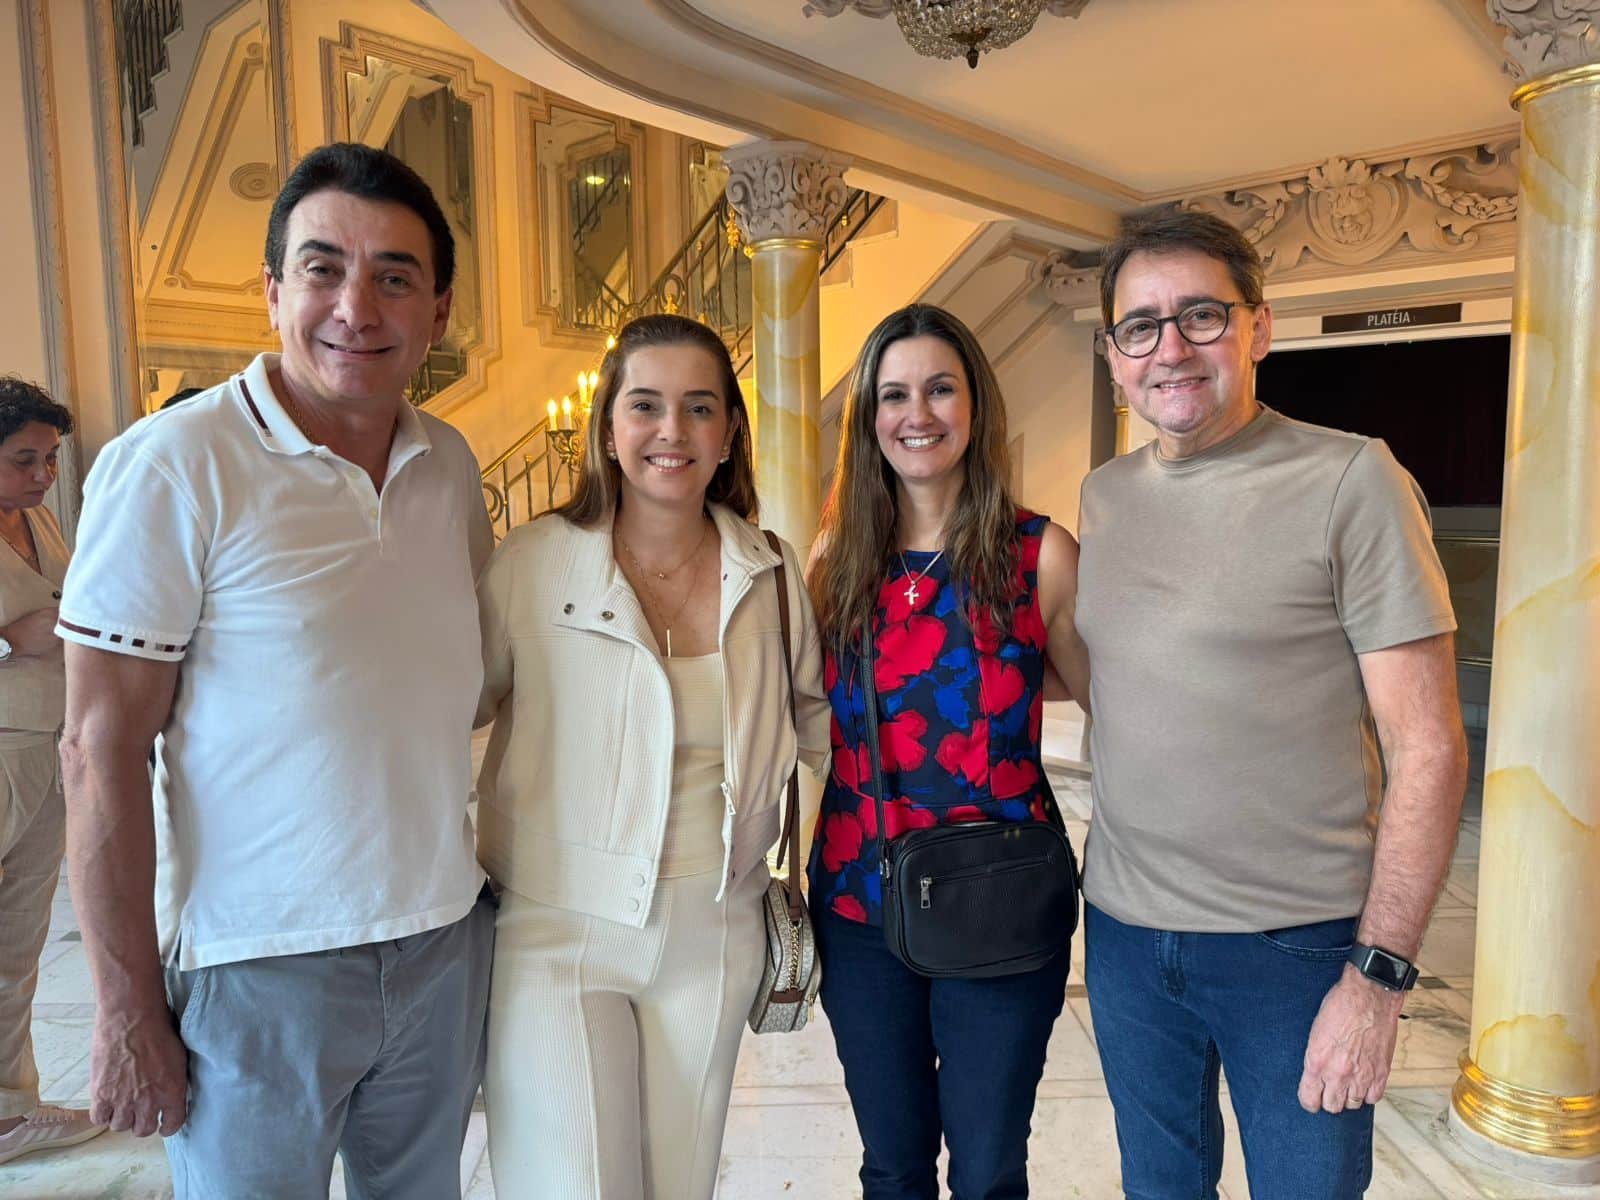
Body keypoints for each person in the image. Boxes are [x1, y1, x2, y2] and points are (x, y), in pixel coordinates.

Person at [56, 142, 495, 1198]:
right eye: (322, 269)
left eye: (395, 277)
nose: (356, 307)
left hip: (440, 947)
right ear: (272, 291)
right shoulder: (175, 464)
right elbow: (97, 749)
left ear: (438, 311)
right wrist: (125, 1012)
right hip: (256, 971)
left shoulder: (447, 464)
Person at [1076, 209, 1467, 1200]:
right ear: (1114, 357)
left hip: (1294, 951)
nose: (1170, 348)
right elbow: (1120, 675)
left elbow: (1427, 748)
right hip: (1122, 937)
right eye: (1140, 327)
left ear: (1258, 328)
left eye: (1201, 315)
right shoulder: (1105, 496)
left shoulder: (1351, 479)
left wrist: (1378, 979)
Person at [474, 312, 831, 1199]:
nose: (672, 429)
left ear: (729, 433)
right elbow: (450, 713)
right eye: (645, 405)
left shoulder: (770, 570)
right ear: (607, 428)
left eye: (699, 407)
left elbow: (816, 725)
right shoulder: (534, 562)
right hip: (557, 928)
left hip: (715, 930)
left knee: (680, 1186)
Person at [805, 303, 1090, 1199]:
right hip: (860, 904)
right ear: (868, 417)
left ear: (975, 405)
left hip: (1001, 903)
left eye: (939, 389)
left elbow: (1109, 703)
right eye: (893, 395)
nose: (916, 413)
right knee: (892, 1167)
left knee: (989, 1169)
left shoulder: (1039, 555)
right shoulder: (836, 561)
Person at [0, 378, 107, 1165]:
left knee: (17, 939)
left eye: (50, 459)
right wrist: (7, 640)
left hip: (48, 744)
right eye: (23, 460)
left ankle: (10, 1109)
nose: (43, 475)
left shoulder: (36, 519)